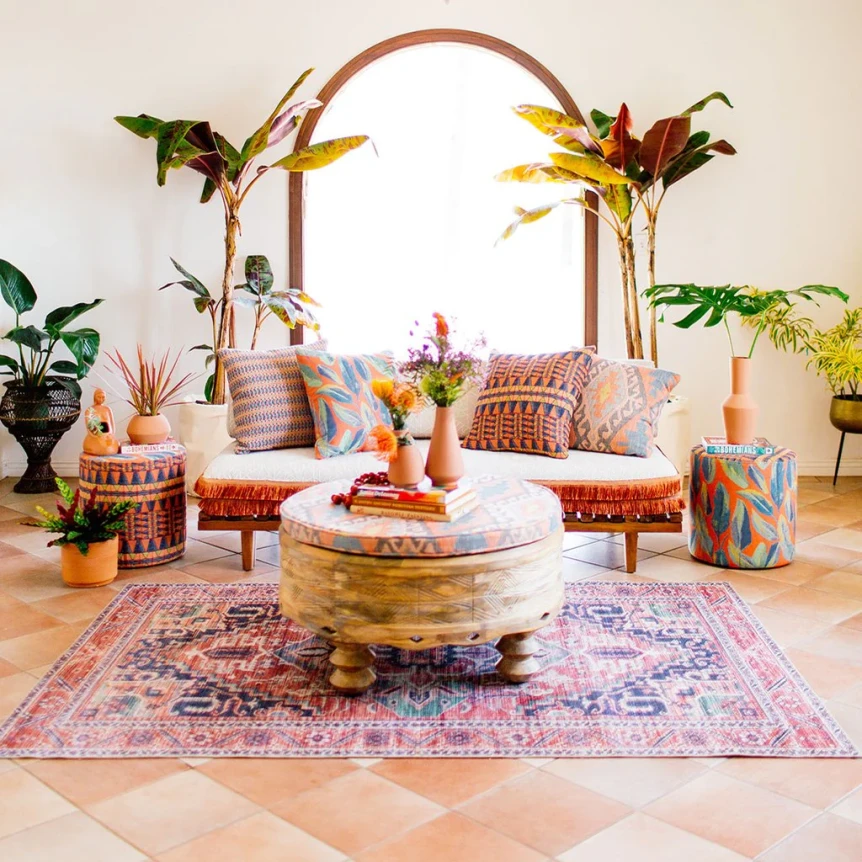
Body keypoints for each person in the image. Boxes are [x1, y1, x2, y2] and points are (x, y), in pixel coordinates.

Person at [83, 389, 120, 455]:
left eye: (103, 397)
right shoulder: (89, 410)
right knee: (96, 447)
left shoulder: (107, 409)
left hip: (108, 436)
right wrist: (96, 436)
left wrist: (111, 435)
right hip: (95, 436)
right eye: (99, 397)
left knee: (112, 447)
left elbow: (112, 424)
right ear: (94, 397)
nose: (101, 399)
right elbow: (89, 427)